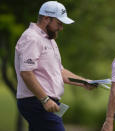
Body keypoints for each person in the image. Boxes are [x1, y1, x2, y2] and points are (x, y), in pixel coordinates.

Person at [15, 1, 96, 131]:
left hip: (43, 102)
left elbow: (60, 71)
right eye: (59, 23)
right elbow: (26, 72)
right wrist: (45, 100)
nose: (61, 28)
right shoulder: (32, 38)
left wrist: (84, 82)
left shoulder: (49, 39)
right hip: (37, 102)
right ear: (47, 19)